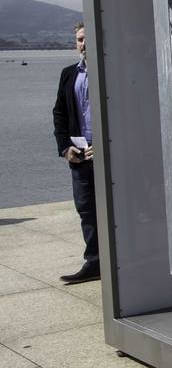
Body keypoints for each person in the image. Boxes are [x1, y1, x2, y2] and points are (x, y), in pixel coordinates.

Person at [51, 23, 100, 284]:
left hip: (108, 154)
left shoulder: (109, 72)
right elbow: (59, 114)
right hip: (80, 155)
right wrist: (64, 149)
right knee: (86, 210)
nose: (83, 44)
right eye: (80, 40)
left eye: (87, 39)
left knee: (118, 209)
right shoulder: (68, 74)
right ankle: (94, 263)